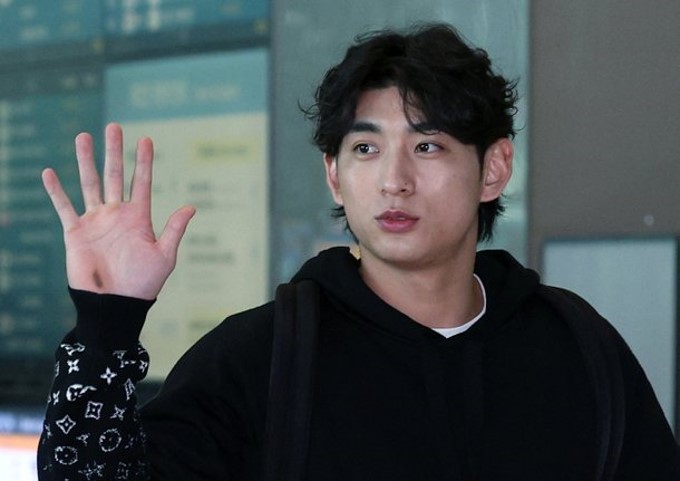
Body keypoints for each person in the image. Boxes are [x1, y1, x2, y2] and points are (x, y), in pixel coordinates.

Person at [37, 23, 679, 481]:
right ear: (334, 175)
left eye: (428, 146)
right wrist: (105, 325)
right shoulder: (265, 357)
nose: (394, 180)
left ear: (493, 168)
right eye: (366, 149)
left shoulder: (577, 346)